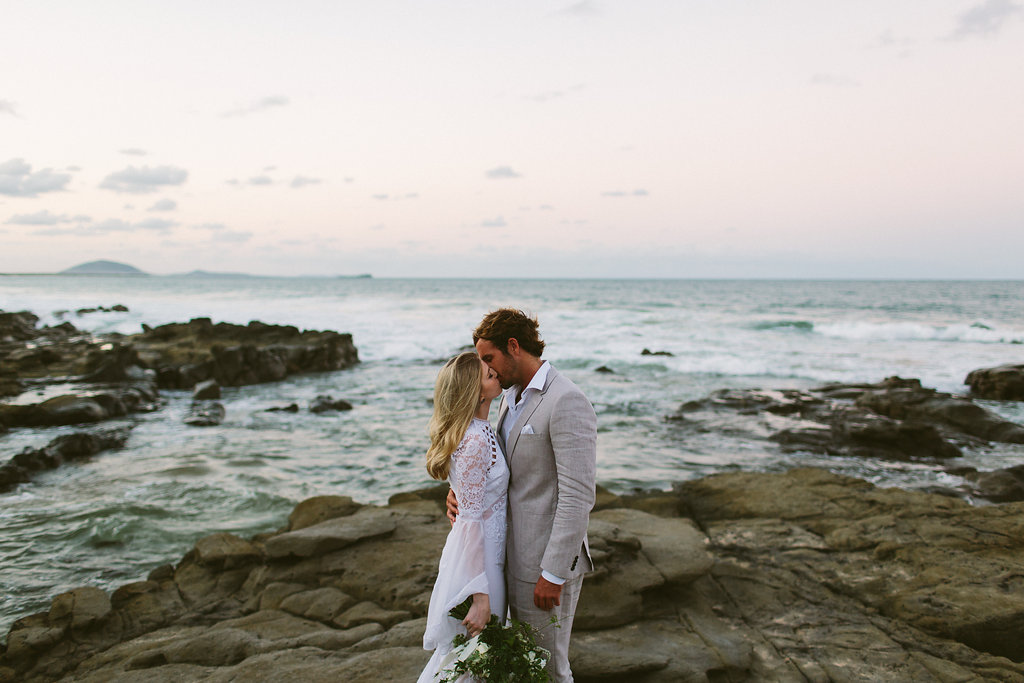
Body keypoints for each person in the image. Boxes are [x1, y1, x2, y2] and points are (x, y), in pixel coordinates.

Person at [448, 309, 597, 683]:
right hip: (507, 558)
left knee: (548, 667)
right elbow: (500, 470)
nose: (487, 370)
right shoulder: (507, 397)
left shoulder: (566, 400)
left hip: (543, 567)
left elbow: (578, 495)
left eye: (488, 359)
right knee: (518, 666)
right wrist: (460, 494)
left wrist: (553, 571)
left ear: (513, 346)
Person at [418, 352, 506, 683]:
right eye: (487, 374)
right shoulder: (474, 441)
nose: (495, 373)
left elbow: (475, 498)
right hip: (480, 567)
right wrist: (479, 597)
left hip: (490, 557)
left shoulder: (482, 430)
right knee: (470, 661)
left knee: (477, 658)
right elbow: (469, 522)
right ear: (475, 390)